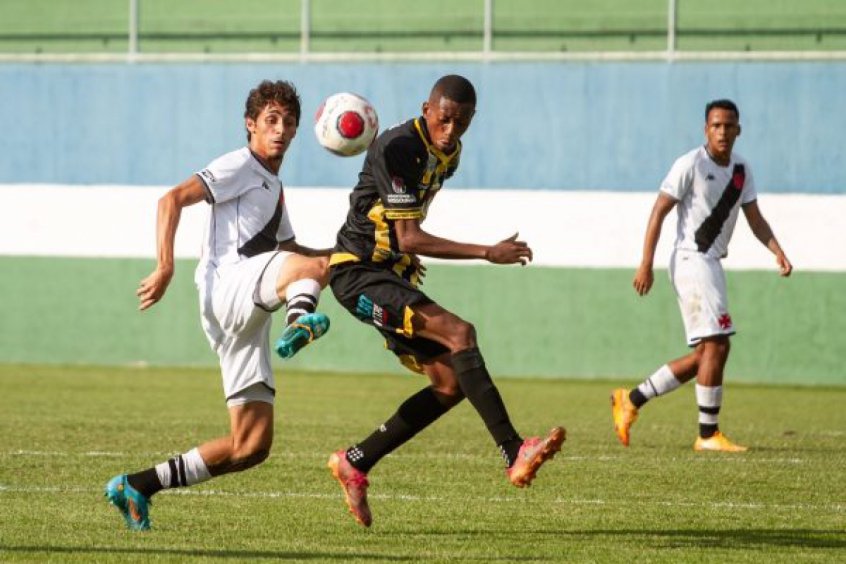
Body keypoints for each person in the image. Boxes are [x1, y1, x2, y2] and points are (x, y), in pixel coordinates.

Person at [326, 74, 565, 527]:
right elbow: (409, 233)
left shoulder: (448, 154)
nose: (451, 130)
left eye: (461, 121)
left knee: (450, 385)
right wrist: (487, 252)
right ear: (426, 108)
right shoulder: (398, 148)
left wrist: (405, 261)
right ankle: (514, 451)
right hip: (357, 275)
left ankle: (355, 461)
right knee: (460, 332)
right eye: (444, 118)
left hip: (387, 274)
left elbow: (401, 225)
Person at [105, 80, 332, 530]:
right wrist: (165, 266)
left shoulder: (273, 187)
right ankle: (300, 319)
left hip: (241, 314)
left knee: (251, 445)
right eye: (271, 120)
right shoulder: (240, 165)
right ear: (250, 125)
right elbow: (171, 199)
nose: (281, 130)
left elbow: (298, 253)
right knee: (309, 273)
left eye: (288, 122)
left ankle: (138, 485)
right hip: (229, 287)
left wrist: (352, 256)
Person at [611, 99, 792, 452]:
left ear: (739, 130)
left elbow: (754, 218)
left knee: (707, 354)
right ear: (705, 129)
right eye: (716, 125)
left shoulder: (741, 170)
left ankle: (630, 399)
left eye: (729, 126)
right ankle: (707, 435)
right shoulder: (689, 164)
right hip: (692, 260)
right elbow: (658, 212)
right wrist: (645, 262)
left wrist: (777, 250)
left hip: (711, 263)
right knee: (718, 344)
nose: (723, 131)